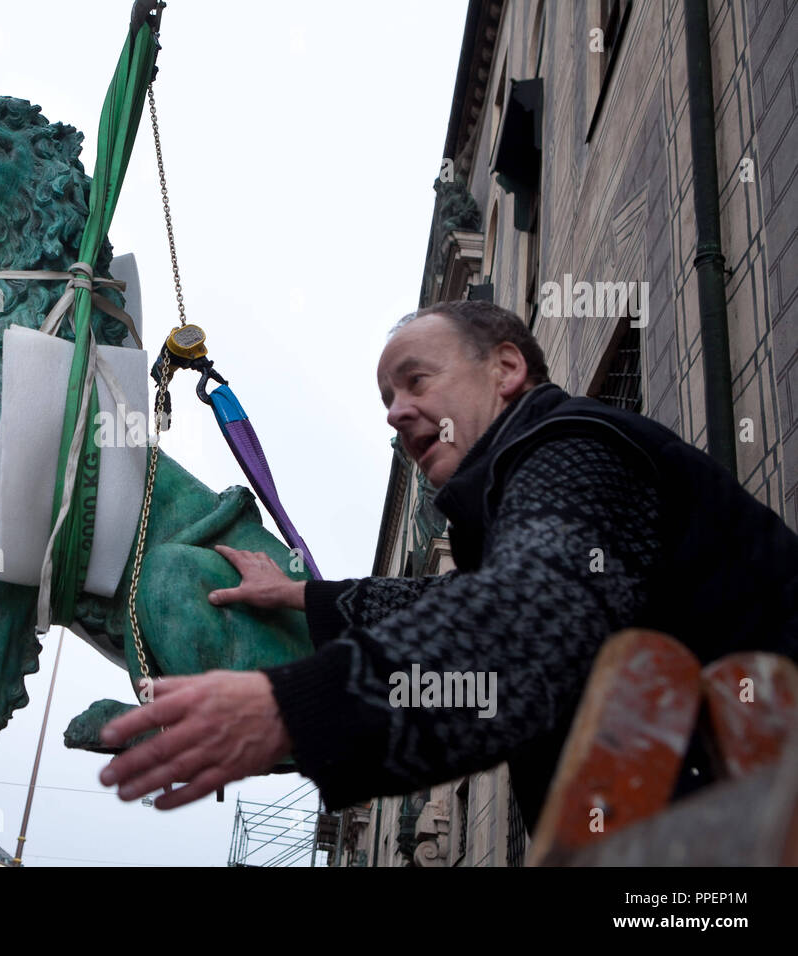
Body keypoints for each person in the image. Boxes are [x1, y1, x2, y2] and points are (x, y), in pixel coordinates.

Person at [98, 299, 798, 829]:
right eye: (387, 400)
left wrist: (295, 709)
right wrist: (299, 597)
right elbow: (467, 606)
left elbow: (528, 623)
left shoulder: (575, 447)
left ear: (506, 368)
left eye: (416, 381)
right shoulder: (509, 499)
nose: (397, 414)